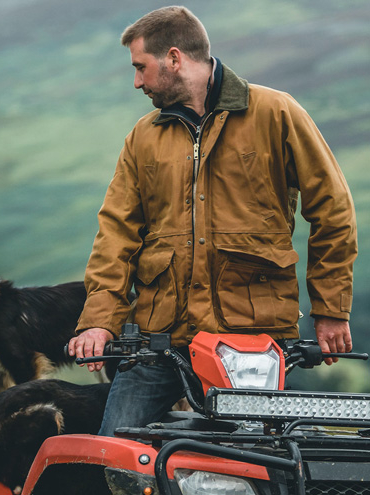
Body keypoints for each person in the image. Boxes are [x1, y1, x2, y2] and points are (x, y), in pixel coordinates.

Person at [68, 6, 357, 436]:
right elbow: (116, 233)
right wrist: (99, 319)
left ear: (173, 58)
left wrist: (331, 309)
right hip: (160, 341)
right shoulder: (143, 136)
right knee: (118, 455)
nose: (137, 82)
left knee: (255, 463)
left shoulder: (276, 112)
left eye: (140, 68)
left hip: (252, 342)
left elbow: (333, 210)